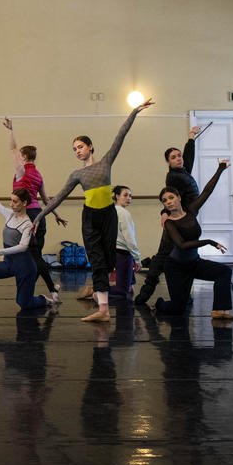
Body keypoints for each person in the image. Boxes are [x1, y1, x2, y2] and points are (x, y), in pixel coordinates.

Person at [33, 98, 154, 322]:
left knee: (108, 261)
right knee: (97, 262)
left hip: (108, 215)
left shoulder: (105, 163)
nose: (77, 151)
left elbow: (121, 136)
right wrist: (40, 215)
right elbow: (58, 197)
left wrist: (134, 112)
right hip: (89, 217)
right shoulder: (76, 175)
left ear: (90, 147)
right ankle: (104, 310)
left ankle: (102, 299)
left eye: (80, 147)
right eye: (74, 149)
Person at [154, 159, 233, 319]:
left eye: (171, 197)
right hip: (175, 268)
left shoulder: (191, 210)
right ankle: (159, 304)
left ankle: (220, 310)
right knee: (178, 308)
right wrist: (209, 242)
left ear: (178, 197)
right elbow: (183, 245)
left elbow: (206, 191)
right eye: (165, 201)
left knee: (224, 272)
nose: (169, 202)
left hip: (194, 263)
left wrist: (220, 169)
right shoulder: (169, 223)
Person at [134, 125, 203, 305]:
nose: (179, 158)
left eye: (179, 155)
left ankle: (184, 295)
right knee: (162, 258)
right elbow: (169, 196)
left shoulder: (183, 170)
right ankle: (143, 296)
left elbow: (189, 158)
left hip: (185, 221)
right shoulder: (173, 177)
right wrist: (164, 212)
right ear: (168, 162)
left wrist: (191, 138)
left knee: (186, 257)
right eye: (174, 157)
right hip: (175, 222)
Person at [2, 118, 68, 302]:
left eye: (20, 156)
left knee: (35, 256)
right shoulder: (38, 175)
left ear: (24, 157)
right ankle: (31, 290)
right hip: (41, 216)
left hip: (27, 217)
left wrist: (11, 130)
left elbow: (12, 149)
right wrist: (56, 215)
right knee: (32, 255)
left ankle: (52, 290)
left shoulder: (21, 171)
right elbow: (46, 200)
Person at [110, 185, 142, 299]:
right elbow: (129, 238)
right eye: (125, 195)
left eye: (130, 196)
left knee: (129, 286)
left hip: (114, 251)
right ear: (117, 196)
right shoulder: (124, 213)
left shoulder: (111, 211)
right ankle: (98, 292)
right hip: (123, 253)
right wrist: (137, 258)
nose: (128, 198)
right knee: (122, 290)